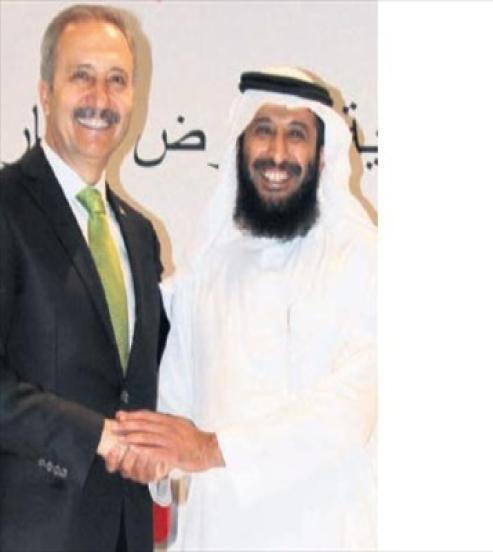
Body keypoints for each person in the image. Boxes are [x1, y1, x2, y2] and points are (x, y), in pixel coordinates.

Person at [115, 67, 376, 550]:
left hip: (323, 532)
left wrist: (211, 449)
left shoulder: (361, 259)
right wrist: (157, 457)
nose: (277, 153)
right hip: (218, 533)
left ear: (322, 156)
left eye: (296, 135)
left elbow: (350, 410)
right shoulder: (207, 268)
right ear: (241, 145)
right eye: (263, 130)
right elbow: (175, 400)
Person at [0, 5, 167, 551]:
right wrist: (93, 435)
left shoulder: (140, 236)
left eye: (117, 80)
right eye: (82, 76)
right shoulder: (6, 206)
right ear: (46, 94)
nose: (101, 97)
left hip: (126, 531)